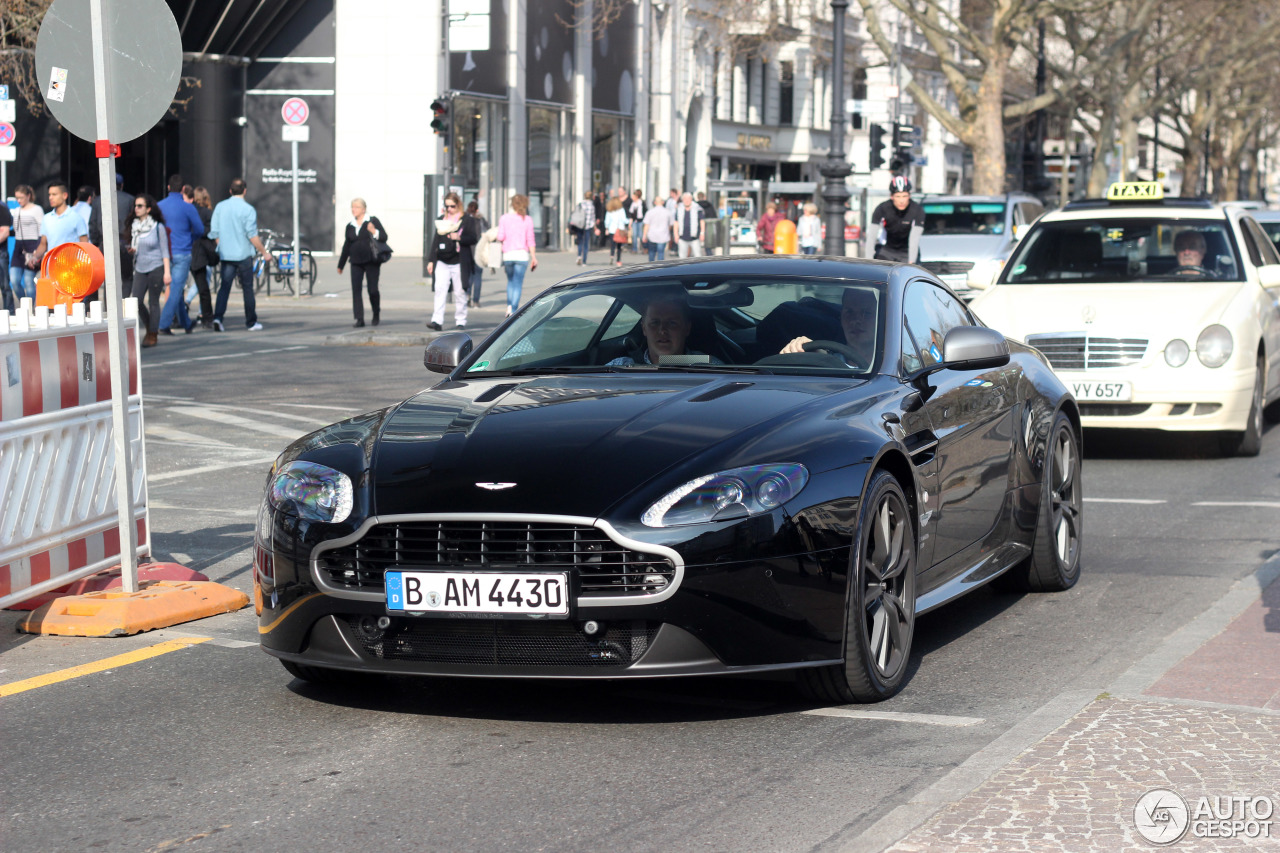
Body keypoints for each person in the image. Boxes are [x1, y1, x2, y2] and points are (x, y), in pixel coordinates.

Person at [208, 177, 273, 332]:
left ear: (230, 191)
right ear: (245, 191)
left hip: (226, 254)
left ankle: (218, 318)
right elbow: (252, 235)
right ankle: (251, 322)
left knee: (224, 287)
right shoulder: (248, 209)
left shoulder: (220, 207)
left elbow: (214, 232)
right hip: (243, 254)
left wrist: (222, 246)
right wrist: (264, 252)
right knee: (248, 288)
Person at [606, 295, 722, 366]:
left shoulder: (709, 366)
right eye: (654, 323)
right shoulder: (620, 367)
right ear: (644, 328)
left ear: (687, 328)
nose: (662, 331)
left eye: (672, 323)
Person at [156, 174, 206, 335]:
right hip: (183, 251)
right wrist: (190, 238)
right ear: (183, 189)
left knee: (174, 290)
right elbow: (199, 229)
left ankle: (185, 322)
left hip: (164, 253)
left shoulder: (159, 206)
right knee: (177, 289)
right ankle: (164, 324)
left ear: (168, 188)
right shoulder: (188, 207)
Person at [780, 287, 878, 366]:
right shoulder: (825, 363)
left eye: (866, 313)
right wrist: (802, 350)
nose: (855, 321)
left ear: (882, 318)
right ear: (841, 317)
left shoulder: (891, 369)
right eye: (849, 312)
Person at [124, 194, 171, 348]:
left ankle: (152, 334)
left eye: (140, 206)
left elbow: (165, 251)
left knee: (153, 302)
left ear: (148, 209)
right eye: (135, 206)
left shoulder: (158, 227)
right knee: (136, 299)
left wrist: (167, 272)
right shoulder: (135, 227)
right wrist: (133, 250)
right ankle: (151, 324)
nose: (136, 209)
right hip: (140, 267)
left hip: (156, 266)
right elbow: (136, 246)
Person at [337, 197, 388, 328]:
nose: (354, 210)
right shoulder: (350, 226)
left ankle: (376, 312)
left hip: (371, 260)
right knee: (356, 290)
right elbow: (346, 245)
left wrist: (374, 231)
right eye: (352, 207)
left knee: (372, 290)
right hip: (355, 261)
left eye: (356, 207)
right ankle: (359, 318)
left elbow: (384, 236)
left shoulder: (372, 220)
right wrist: (340, 265)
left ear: (363, 209)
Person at [426, 192, 467, 330]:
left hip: (459, 262)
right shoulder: (441, 220)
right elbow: (435, 242)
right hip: (442, 261)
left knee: (460, 292)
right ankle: (437, 321)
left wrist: (459, 238)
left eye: (452, 206)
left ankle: (460, 321)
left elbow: (473, 237)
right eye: (447, 206)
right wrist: (431, 260)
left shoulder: (464, 220)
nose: (449, 209)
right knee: (440, 290)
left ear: (458, 205)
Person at [496, 193, 538, 317]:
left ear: (512, 204)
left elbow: (500, 237)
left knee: (510, 281)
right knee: (518, 283)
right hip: (522, 255)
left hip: (508, 255)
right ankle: (514, 309)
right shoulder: (527, 219)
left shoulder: (504, 218)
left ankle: (509, 306)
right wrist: (534, 257)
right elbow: (530, 239)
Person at [871, 175, 925, 263]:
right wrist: (868, 261)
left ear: (909, 196)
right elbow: (871, 237)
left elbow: (914, 239)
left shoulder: (917, 210)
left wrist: (911, 262)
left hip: (907, 251)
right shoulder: (882, 208)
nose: (901, 201)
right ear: (891, 196)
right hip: (887, 250)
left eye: (904, 196)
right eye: (898, 196)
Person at [9, 185, 44, 304]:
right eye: (17, 198)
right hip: (19, 247)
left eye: (21, 197)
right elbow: (16, 229)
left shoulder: (37, 209)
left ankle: (31, 309)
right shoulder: (17, 210)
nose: (19, 200)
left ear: (28, 196)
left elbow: (42, 230)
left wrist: (38, 250)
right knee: (14, 279)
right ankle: (24, 303)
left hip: (33, 245)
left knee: (29, 281)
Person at [188, 186, 217, 328]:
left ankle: (179, 314)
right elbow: (211, 231)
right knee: (203, 287)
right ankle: (207, 317)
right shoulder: (207, 213)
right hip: (200, 254)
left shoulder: (190, 211)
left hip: (187, 251)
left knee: (179, 286)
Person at [462, 201, 488, 307]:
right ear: (477, 209)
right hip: (479, 250)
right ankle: (476, 301)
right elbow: (488, 230)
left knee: (469, 276)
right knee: (478, 276)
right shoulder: (480, 219)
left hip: (468, 250)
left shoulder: (465, 219)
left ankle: (467, 296)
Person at [569, 191, 597, 265]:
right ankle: (584, 261)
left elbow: (575, 213)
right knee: (586, 244)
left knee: (580, 241)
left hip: (579, 225)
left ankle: (579, 256)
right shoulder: (592, 206)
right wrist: (594, 227)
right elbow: (593, 218)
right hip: (587, 226)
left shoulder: (580, 204)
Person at [674, 192, 705, 258]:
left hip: (694, 238)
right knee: (682, 257)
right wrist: (676, 234)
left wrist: (702, 233)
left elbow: (702, 221)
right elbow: (676, 223)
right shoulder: (679, 209)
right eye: (685, 199)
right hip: (682, 237)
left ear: (691, 199)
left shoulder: (697, 208)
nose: (687, 200)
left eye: (688, 199)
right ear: (683, 200)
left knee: (698, 256)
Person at [604, 197, 629, 267]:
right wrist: (629, 221)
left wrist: (606, 228)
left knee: (612, 244)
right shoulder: (621, 210)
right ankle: (618, 260)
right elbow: (624, 220)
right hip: (620, 229)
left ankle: (612, 255)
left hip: (612, 230)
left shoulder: (609, 211)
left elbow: (607, 220)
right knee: (619, 246)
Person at [0, 201, 11, 311]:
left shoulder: (2, 208)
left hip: (1, 253)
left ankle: (9, 313)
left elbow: (5, 232)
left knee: (5, 286)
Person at [629, 189, 646, 254]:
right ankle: (634, 249)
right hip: (634, 221)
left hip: (641, 221)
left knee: (641, 235)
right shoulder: (632, 204)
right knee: (634, 235)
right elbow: (631, 214)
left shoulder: (641, 203)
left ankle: (644, 247)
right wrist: (630, 223)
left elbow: (645, 211)